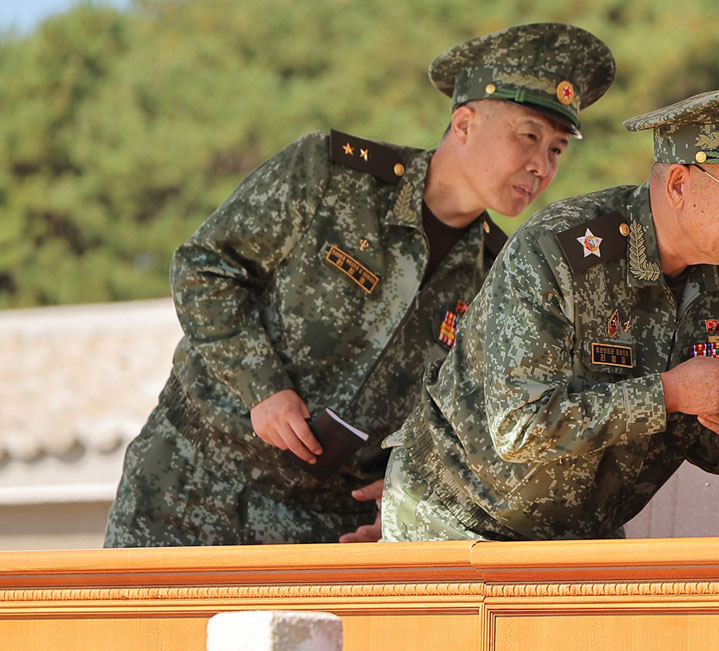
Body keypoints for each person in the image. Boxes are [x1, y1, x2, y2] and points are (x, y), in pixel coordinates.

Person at [103, 23, 615, 547]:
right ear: (463, 124)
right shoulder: (331, 177)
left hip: (320, 530)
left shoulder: (497, 275)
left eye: (556, 151)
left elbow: (470, 425)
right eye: (528, 136)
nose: (541, 165)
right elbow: (205, 266)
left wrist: (407, 497)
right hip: (185, 485)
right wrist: (263, 386)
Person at [377, 65, 719, 541]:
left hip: (585, 536)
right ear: (677, 185)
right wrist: (670, 393)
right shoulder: (559, 249)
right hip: (455, 524)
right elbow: (520, 426)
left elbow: (704, 444)